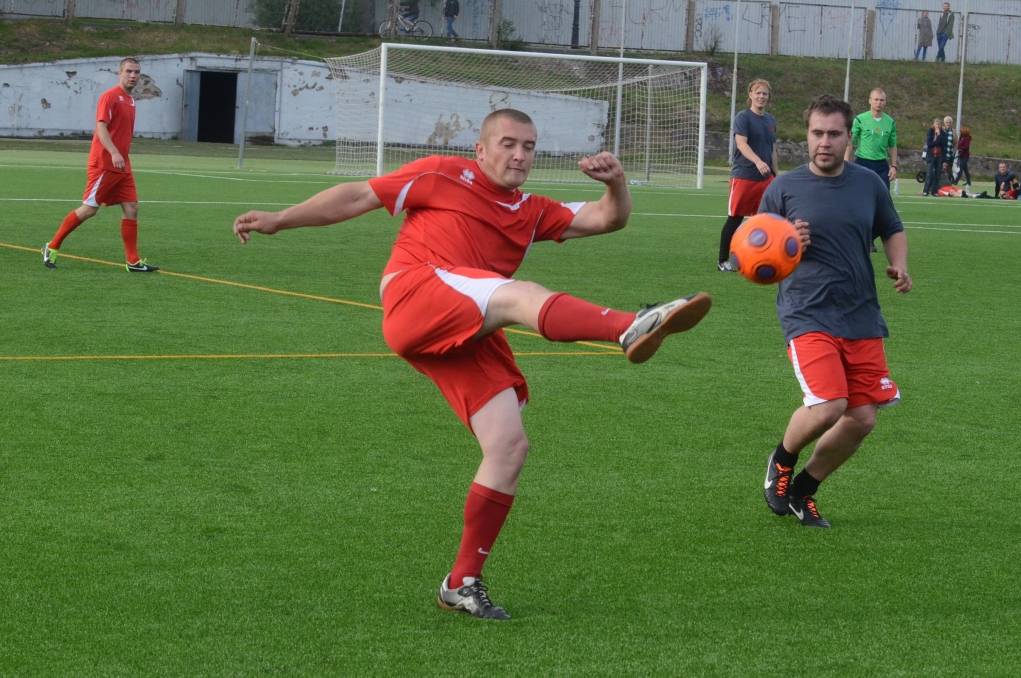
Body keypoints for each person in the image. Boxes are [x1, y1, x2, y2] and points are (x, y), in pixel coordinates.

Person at [231, 108, 712, 620]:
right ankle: (625, 325)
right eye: (508, 144)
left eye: (529, 146)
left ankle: (461, 582)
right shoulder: (441, 172)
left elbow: (606, 218)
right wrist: (281, 219)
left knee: (508, 446)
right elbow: (359, 195)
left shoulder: (530, 210)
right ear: (480, 150)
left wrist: (616, 184)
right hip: (416, 294)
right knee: (515, 295)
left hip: (464, 322)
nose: (520, 155)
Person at [760, 94, 911, 528]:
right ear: (806, 135)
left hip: (861, 314)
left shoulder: (869, 184)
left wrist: (899, 264)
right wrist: (788, 247)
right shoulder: (783, 189)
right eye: (816, 133)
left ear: (850, 138)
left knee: (861, 419)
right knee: (828, 404)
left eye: (834, 134)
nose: (824, 142)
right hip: (807, 312)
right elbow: (757, 264)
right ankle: (782, 461)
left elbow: (892, 229)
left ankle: (804, 490)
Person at [42, 57, 158, 273]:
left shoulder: (131, 100)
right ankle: (52, 245)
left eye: (136, 72)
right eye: (129, 71)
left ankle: (133, 261)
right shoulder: (110, 97)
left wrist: (121, 154)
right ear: (120, 72)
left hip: (123, 165)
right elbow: (100, 127)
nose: (133, 75)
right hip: (105, 163)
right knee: (89, 210)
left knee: (131, 208)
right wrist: (114, 151)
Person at [717, 79, 778, 272]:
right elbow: (742, 144)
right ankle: (723, 261)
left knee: (766, 219)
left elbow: (773, 148)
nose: (761, 96)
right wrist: (758, 161)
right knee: (735, 218)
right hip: (744, 176)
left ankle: (760, 257)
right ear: (750, 94)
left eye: (765, 94)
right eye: (758, 93)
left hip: (766, 179)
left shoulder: (770, 120)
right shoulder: (743, 117)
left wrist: (777, 173)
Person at [844, 87, 899, 191]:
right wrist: (845, 163)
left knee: (882, 198)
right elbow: (850, 143)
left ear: (885, 102)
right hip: (862, 162)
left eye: (881, 100)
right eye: (876, 99)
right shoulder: (860, 119)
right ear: (870, 101)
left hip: (881, 165)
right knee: (859, 195)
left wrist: (894, 166)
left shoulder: (890, 122)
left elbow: (892, 145)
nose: (879, 103)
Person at [923, 118, 945, 196]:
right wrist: (936, 140)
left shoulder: (942, 132)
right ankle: (925, 191)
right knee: (929, 173)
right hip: (931, 156)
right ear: (933, 124)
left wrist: (938, 135)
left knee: (937, 174)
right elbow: (929, 144)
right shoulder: (930, 131)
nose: (937, 126)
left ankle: (934, 191)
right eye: (936, 124)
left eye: (939, 124)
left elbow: (943, 143)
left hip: (939, 156)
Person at [942, 116, 957, 183]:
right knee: (941, 169)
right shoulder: (941, 130)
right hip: (942, 154)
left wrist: (954, 152)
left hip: (950, 154)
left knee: (949, 170)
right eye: (947, 122)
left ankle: (948, 185)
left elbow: (956, 143)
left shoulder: (954, 131)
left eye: (949, 122)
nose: (948, 123)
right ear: (944, 123)